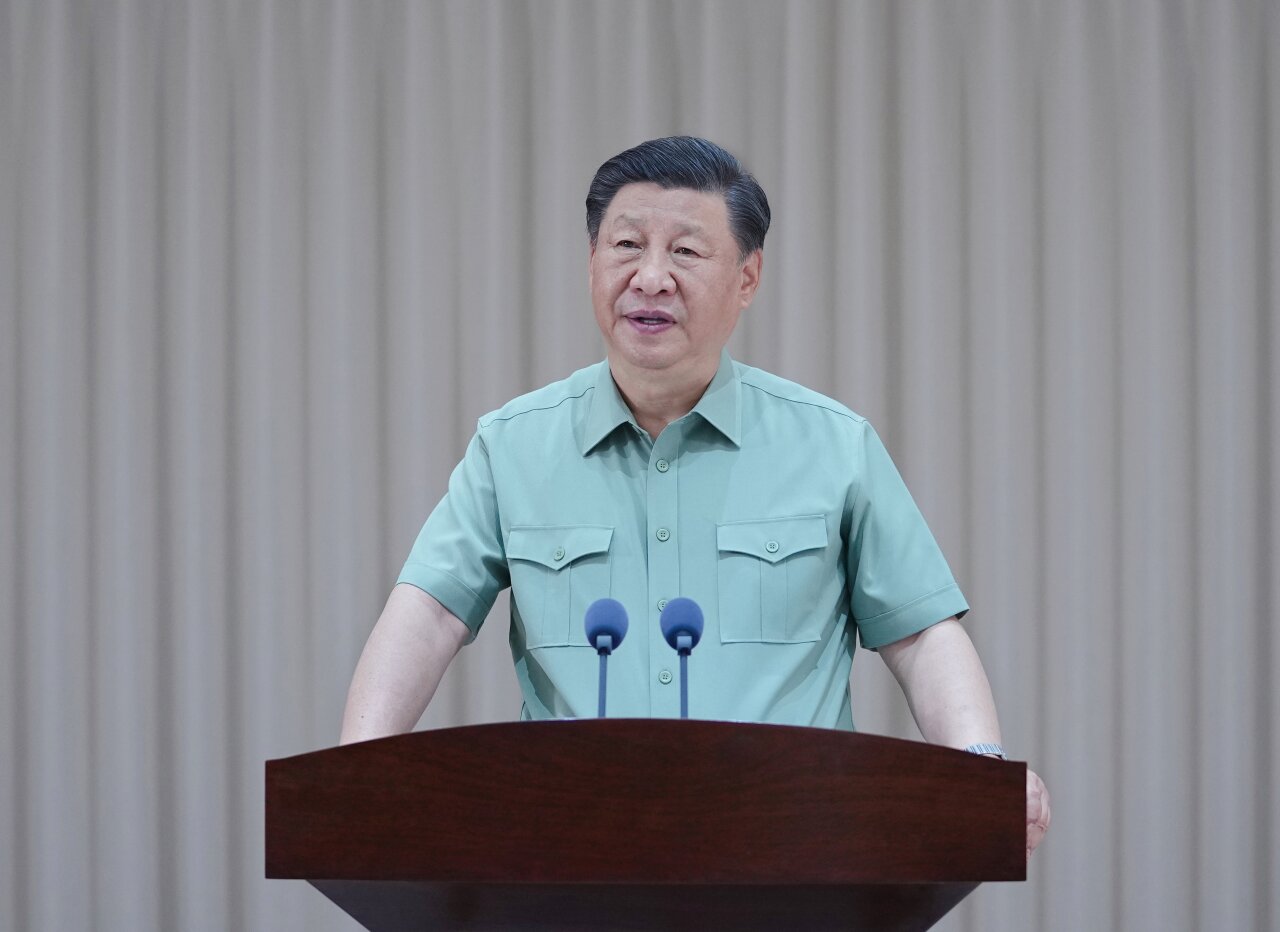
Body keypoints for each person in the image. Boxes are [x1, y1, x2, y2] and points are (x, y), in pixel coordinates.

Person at [339, 136, 1050, 857]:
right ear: (591, 263)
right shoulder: (513, 446)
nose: (651, 278)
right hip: (573, 858)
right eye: (626, 245)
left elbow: (921, 635)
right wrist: (355, 772)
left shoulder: (834, 445)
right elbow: (428, 613)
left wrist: (980, 768)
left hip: (793, 856)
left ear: (747, 278)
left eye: (685, 252)